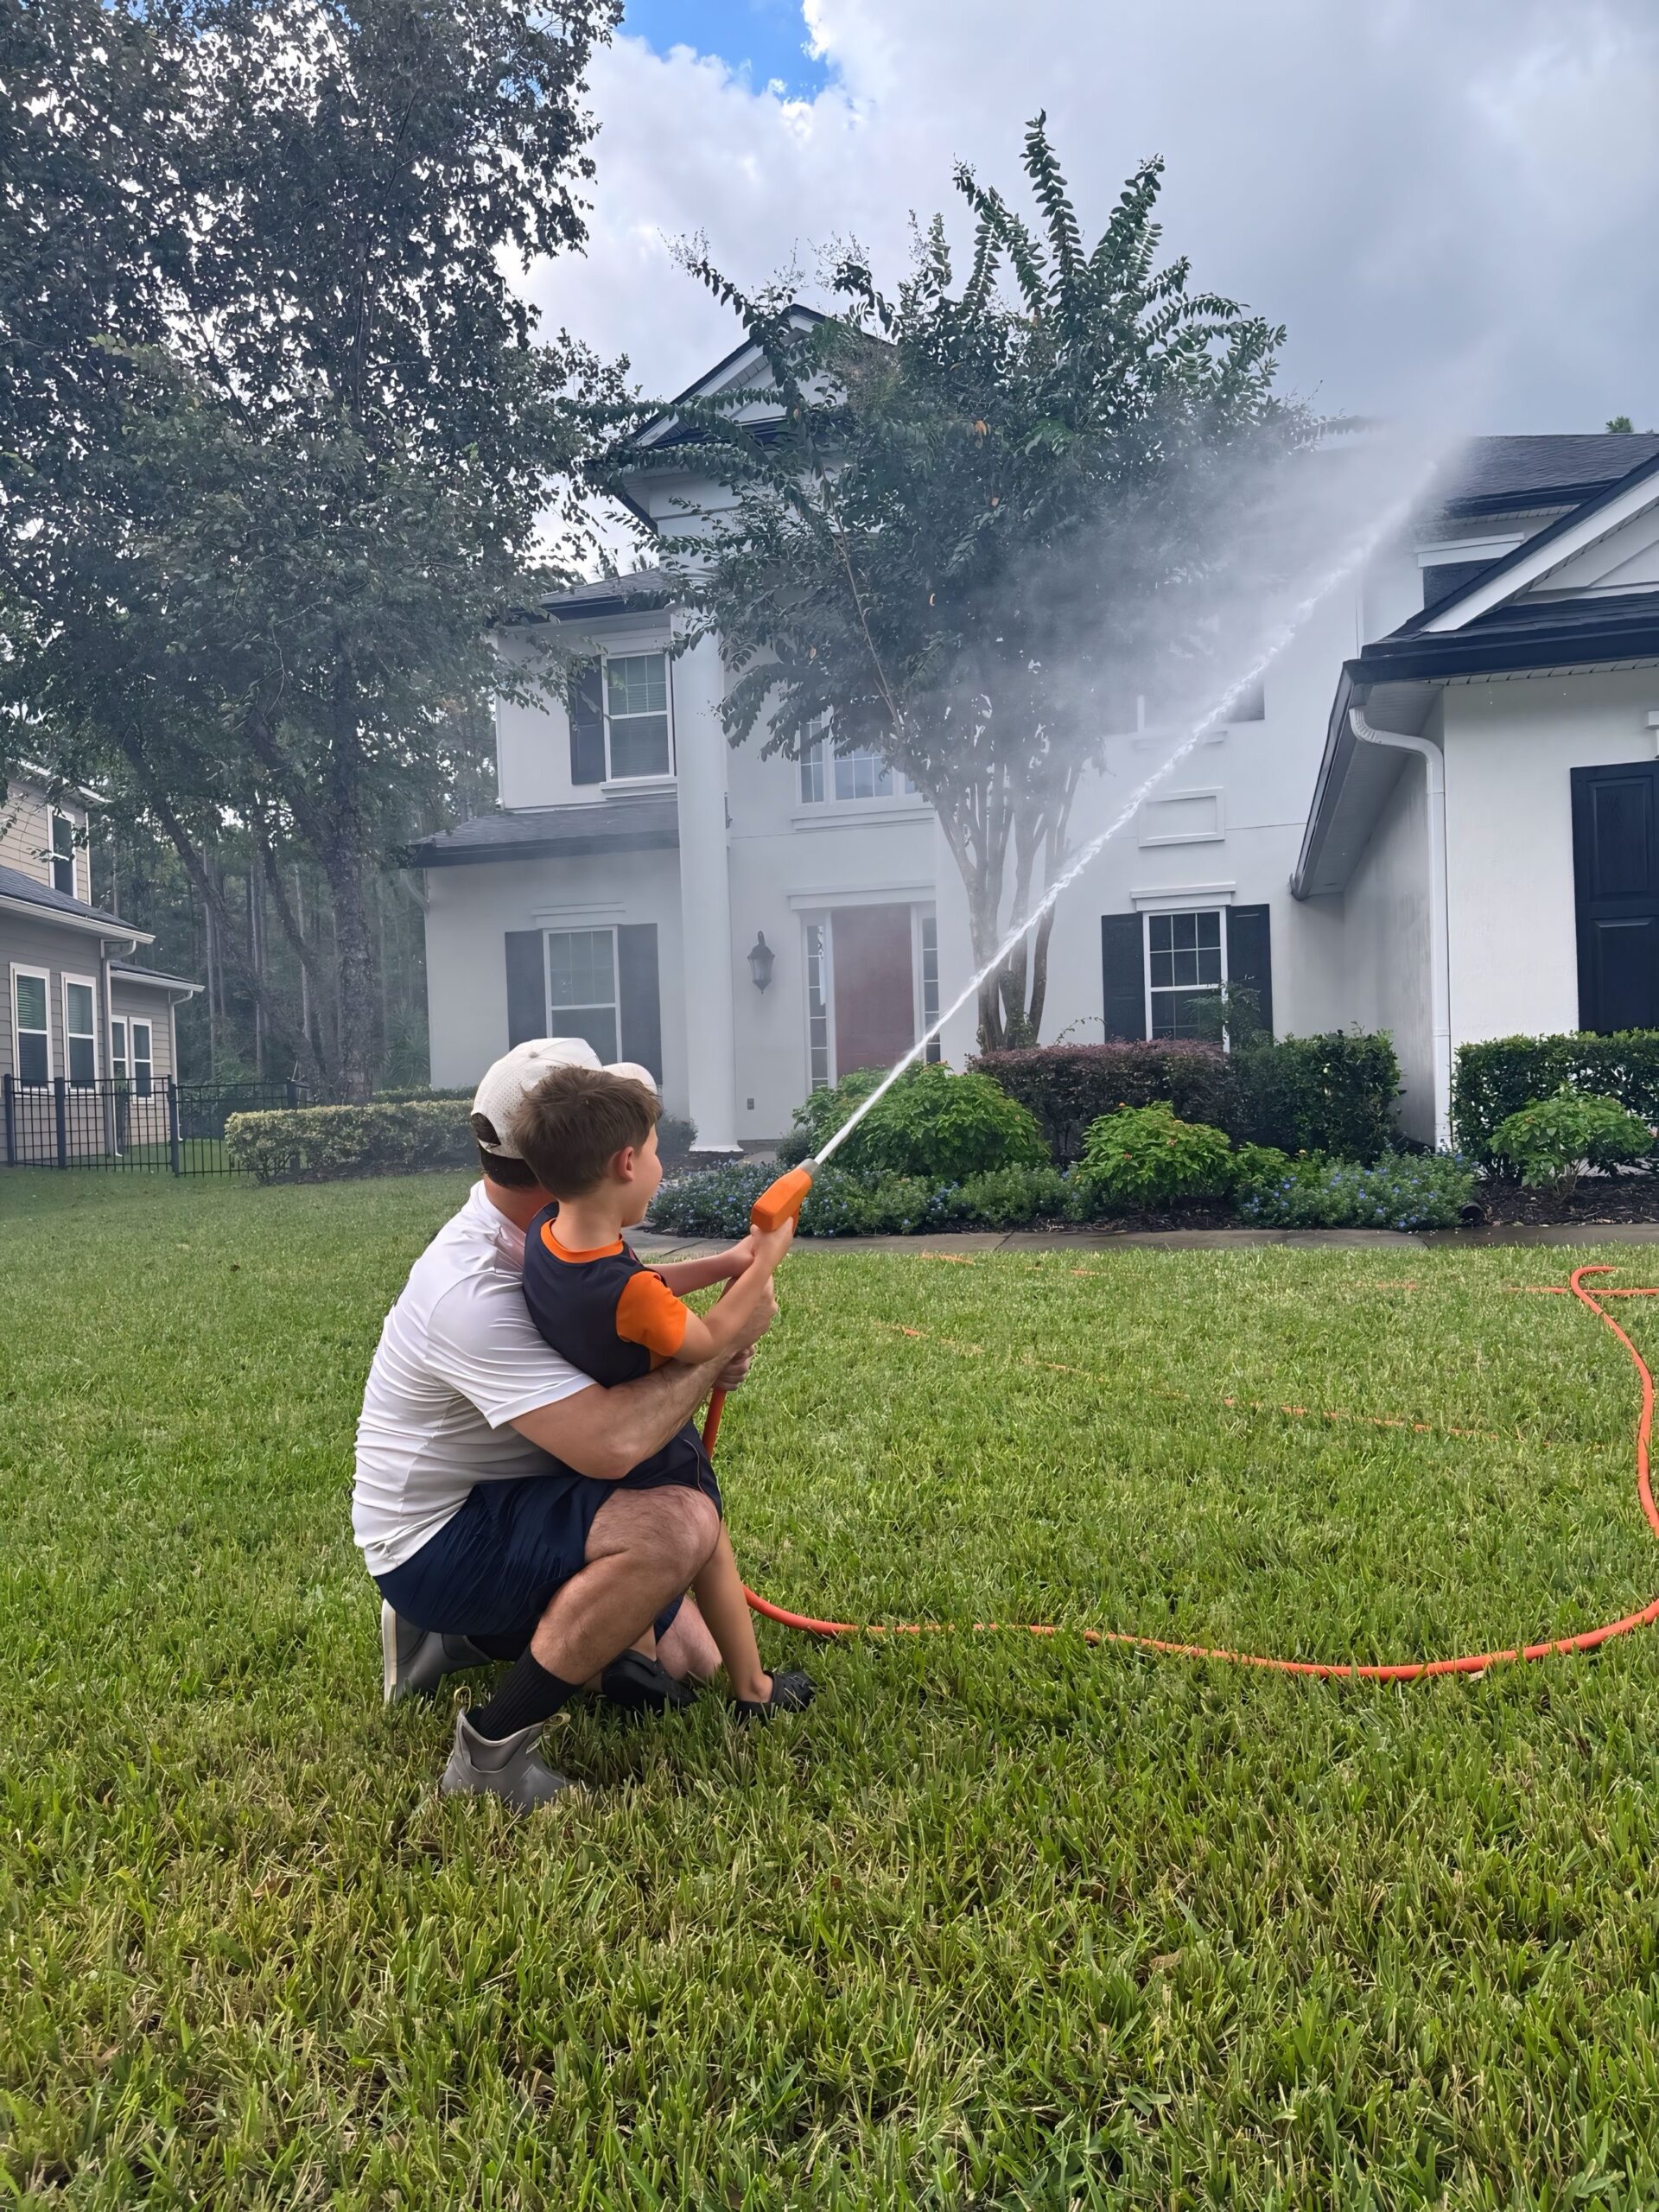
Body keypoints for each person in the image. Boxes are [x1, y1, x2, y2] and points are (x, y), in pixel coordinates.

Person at [353, 1039, 774, 1809]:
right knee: (677, 1530)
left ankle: (453, 1645)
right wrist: (710, 1357)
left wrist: (692, 1339)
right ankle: (488, 1757)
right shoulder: (472, 1291)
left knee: (685, 1656)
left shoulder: (564, 1221)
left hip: (522, 1489)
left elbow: (627, 1310)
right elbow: (611, 1445)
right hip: (436, 1538)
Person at [512, 1059, 816, 1720]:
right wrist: (766, 1259)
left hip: (592, 1446)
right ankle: (754, 1690)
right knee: (705, 1544)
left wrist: (726, 1261)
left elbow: (642, 1285)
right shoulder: (626, 1292)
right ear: (625, 1164)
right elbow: (704, 1340)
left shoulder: (549, 1235)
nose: (659, 1167)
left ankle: (638, 1662)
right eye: (655, 1155)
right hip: (655, 1448)